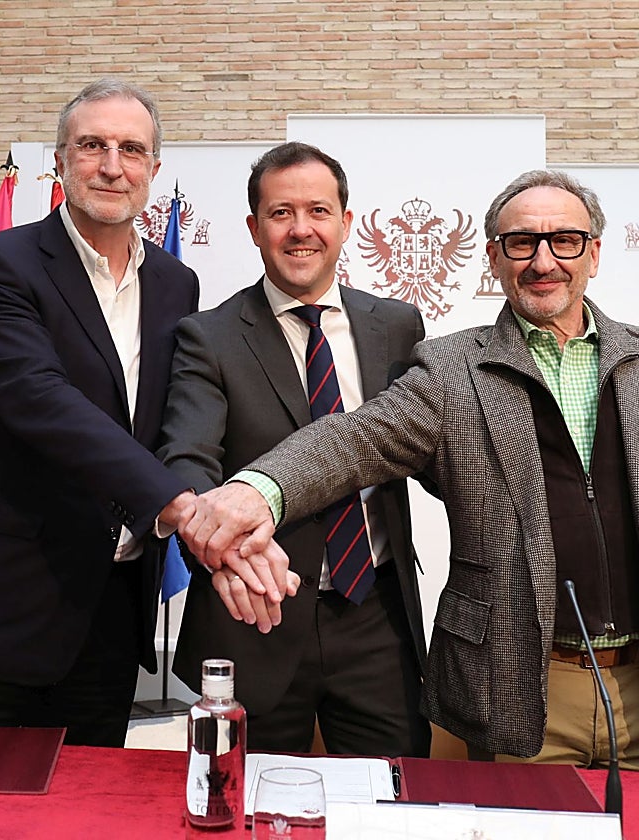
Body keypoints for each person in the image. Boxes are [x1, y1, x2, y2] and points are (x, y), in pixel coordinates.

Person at [180, 169, 639, 772]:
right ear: (493, 258)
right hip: (523, 692)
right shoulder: (452, 368)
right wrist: (256, 493)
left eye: (564, 240)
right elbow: (352, 441)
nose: (544, 261)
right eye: (521, 243)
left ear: (594, 252)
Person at [0, 79, 205, 747]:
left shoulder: (176, 283)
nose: (111, 164)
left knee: (84, 808)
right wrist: (183, 507)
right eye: (92, 144)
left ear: (154, 169)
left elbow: (169, 418)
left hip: (108, 611)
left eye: (131, 149)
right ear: (61, 162)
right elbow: (39, 398)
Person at [158, 142, 430, 757]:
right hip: (255, 612)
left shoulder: (397, 327)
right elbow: (188, 459)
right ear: (254, 228)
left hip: (376, 618)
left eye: (318, 211)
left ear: (346, 223)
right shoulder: (210, 336)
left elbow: (420, 443)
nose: (301, 230)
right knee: (241, 805)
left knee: (393, 803)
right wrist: (218, 543)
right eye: (281, 213)